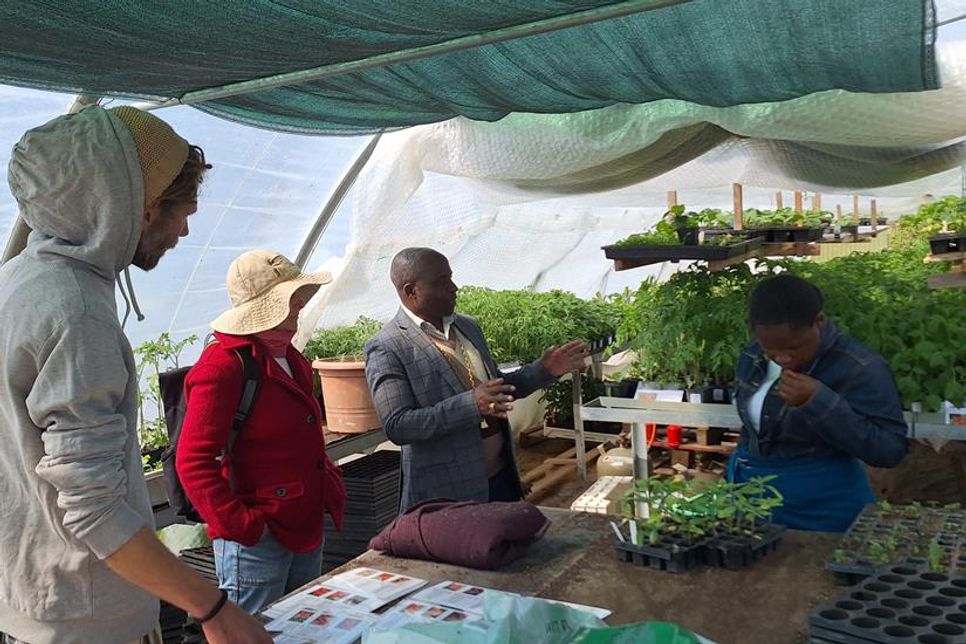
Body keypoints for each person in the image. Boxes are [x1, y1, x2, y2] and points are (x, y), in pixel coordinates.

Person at [0, 106, 271, 644]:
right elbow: (94, 508)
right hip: (88, 621)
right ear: (142, 209)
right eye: (184, 212)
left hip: (31, 599)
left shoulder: (18, 280)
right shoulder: (76, 312)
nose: (186, 230)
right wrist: (214, 609)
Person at [177, 249, 346, 613]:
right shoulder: (224, 366)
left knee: (302, 627)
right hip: (259, 541)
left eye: (297, 297)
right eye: (288, 299)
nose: (298, 306)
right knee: (256, 633)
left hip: (301, 525)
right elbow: (192, 461)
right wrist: (244, 525)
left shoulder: (288, 356)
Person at [364, 247, 589, 512]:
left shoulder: (467, 327)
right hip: (448, 494)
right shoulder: (388, 346)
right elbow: (398, 425)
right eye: (442, 281)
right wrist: (471, 405)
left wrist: (544, 370)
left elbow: (496, 389)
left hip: (501, 478)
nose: (454, 287)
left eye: (451, 277)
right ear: (411, 291)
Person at [729, 274, 908, 532]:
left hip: (823, 507)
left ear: (819, 322)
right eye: (770, 348)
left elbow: (890, 450)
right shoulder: (752, 355)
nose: (782, 358)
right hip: (752, 498)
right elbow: (752, 429)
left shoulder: (859, 367)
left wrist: (819, 401)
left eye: (794, 348)